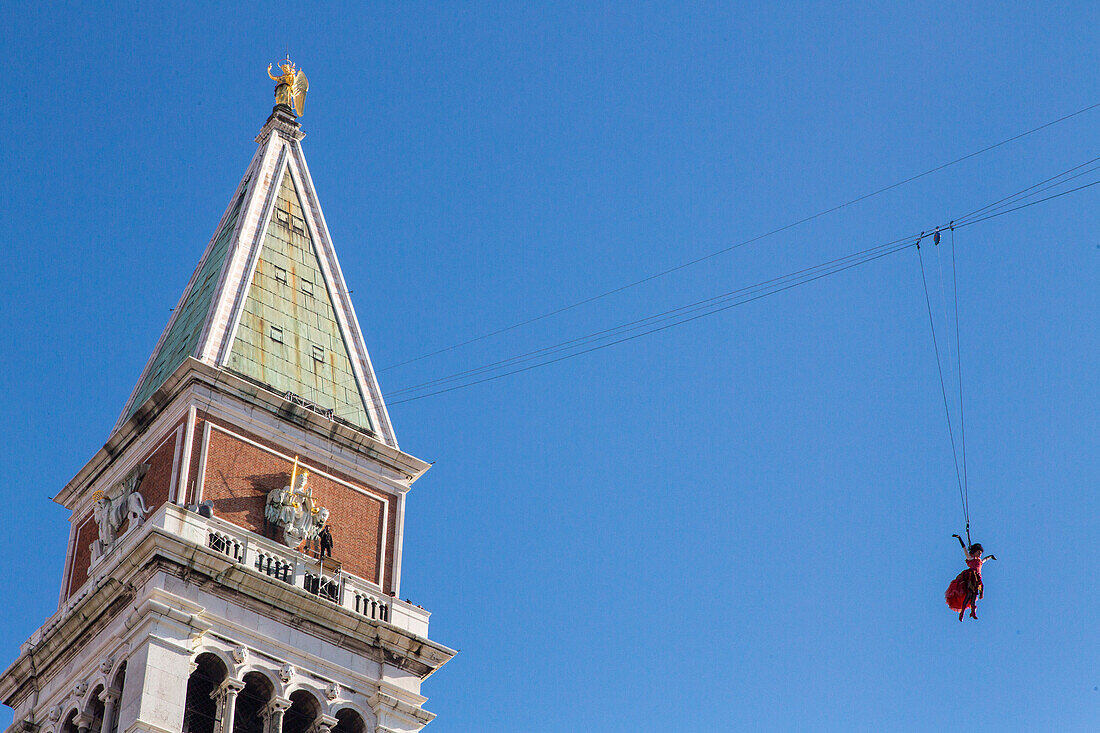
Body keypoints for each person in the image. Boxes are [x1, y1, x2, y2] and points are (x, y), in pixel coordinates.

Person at [945, 534, 996, 621]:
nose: (980, 554)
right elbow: (964, 548)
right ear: (974, 552)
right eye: (979, 552)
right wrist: (959, 538)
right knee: (969, 595)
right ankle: (962, 613)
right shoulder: (970, 558)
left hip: (977, 579)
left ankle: (973, 612)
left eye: (981, 553)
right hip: (970, 578)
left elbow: (985, 559)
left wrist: (991, 556)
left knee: (973, 596)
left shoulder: (980, 561)